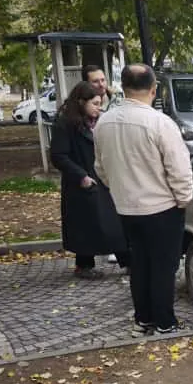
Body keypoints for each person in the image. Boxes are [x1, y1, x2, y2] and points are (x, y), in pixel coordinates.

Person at [95, 64, 193, 336]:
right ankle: (165, 321)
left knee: (139, 264)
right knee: (163, 266)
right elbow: (179, 169)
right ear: (153, 89)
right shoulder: (160, 123)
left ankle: (144, 318)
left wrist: (119, 189)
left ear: (124, 88)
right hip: (162, 208)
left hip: (126, 208)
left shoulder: (104, 122)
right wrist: (184, 200)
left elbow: (100, 167)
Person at [49, 81, 129, 279]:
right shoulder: (66, 123)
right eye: (94, 103)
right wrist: (81, 176)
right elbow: (59, 155)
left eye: (100, 103)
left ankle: (128, 261)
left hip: (102, 178)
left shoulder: (99, 122)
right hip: (82, 182)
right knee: (87, 226)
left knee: (113, 223)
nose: (99, 107)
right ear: (81, 102)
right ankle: (84, 265)